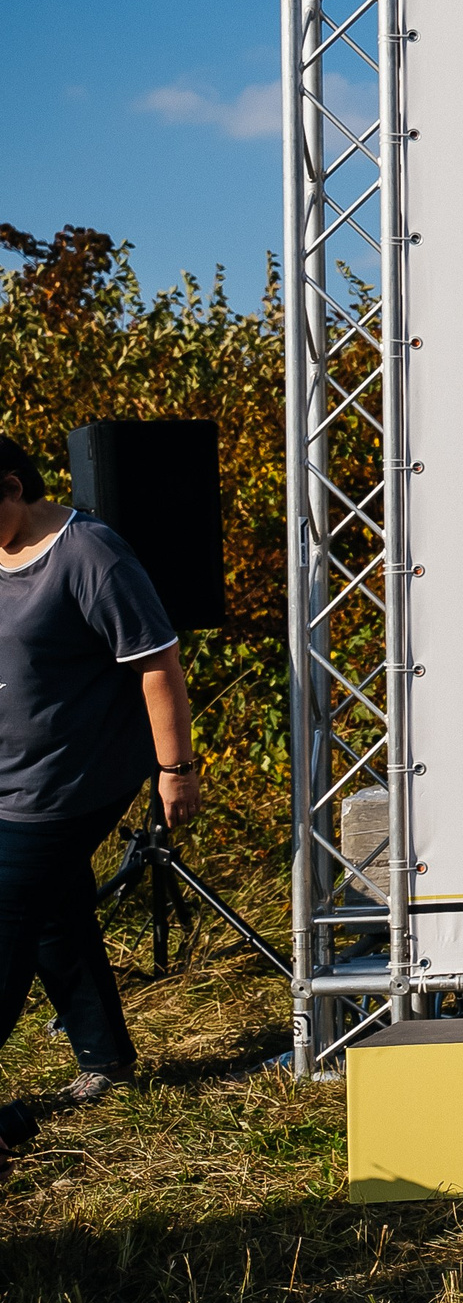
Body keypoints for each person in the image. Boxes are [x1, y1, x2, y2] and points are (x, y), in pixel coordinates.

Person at [0, 433, 199, 1108]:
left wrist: (176, 768)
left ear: (13, 488)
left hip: (68, 780)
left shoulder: (88, 552)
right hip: (8, 774)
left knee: (10, 918)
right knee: (55, 909)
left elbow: (156, 662)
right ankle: (106, 1060)